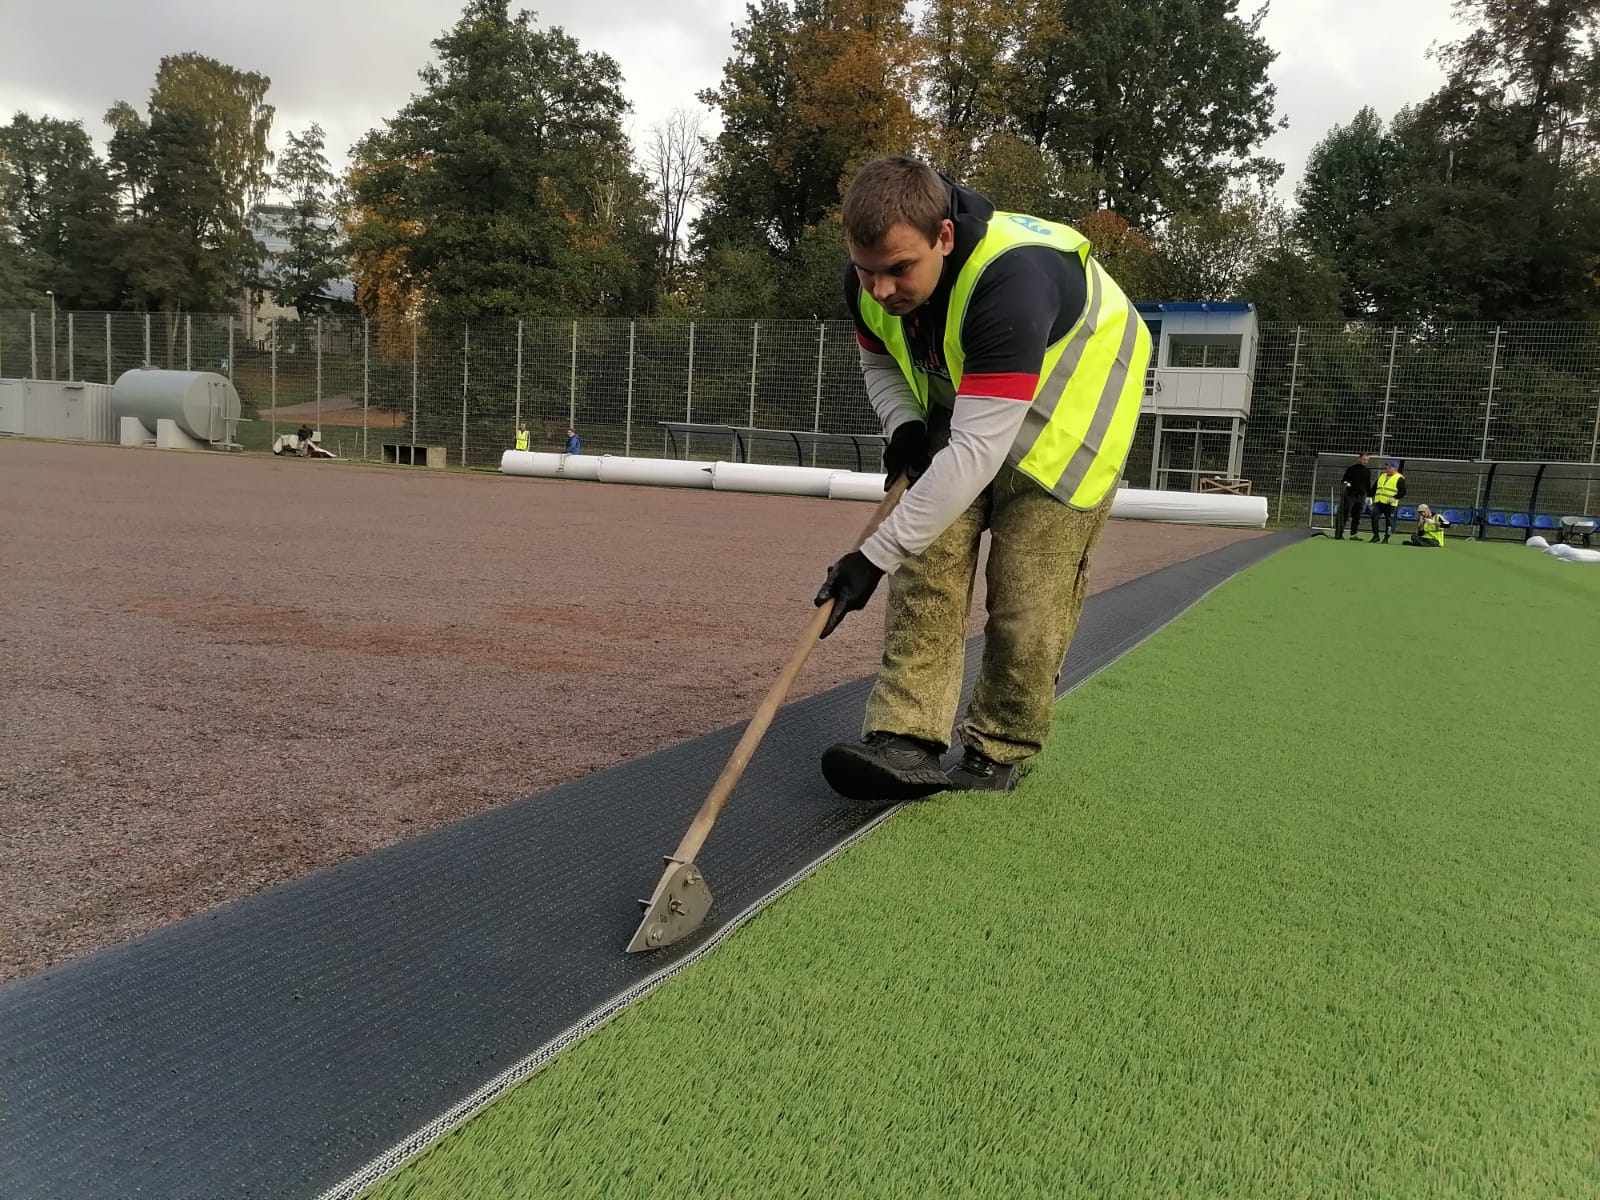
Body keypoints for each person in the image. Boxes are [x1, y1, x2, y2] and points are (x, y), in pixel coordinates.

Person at [811, 155, 1150, 801]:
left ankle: (998, 748)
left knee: (1028, 602)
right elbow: (881, 364)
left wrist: (870, 558)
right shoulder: (869, 280)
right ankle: (905, 738)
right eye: (866, 270)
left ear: (943, 236)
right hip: (976, 403)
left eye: (898, 269)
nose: (880, 289)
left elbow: (975, 452)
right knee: (927, 571)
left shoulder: (1012, 279)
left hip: (1070, 423)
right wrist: (905, 426)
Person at [1336, 452, 1372, 539]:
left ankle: (1353, 534)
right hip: (1350, 495)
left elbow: (1368, 484)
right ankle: (1339, 533)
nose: (1365, 461)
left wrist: (1369, 496)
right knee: (1345, 514)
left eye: (1367, 460)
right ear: (1359, 459)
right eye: (1364, 459)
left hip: (1361, 496)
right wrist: (1346, 483)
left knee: (1357, 516)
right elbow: (1344, 480)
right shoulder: (1351, 469)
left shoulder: (1367, 471)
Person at [1370, 460, 1406, 542]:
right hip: (1379, 502)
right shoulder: (1382, 476)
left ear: (1395, 469)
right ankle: (1375, 536)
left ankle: (1386, 538)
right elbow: (1375, 487)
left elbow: (1403, 491)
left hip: (1390, 504)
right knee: (1374, 517)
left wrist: (1395, 498)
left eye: (1389, 468)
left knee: (1389, 521)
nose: (1387, 469)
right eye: (1386, 467)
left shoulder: (1399, 478)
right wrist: (1369, 496)